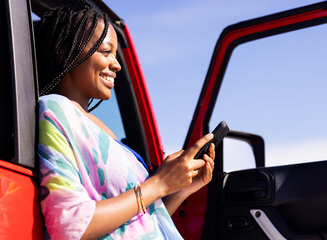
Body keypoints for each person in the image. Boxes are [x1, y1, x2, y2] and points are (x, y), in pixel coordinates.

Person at [35, 2, 215, 240]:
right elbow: (71, 224)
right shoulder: (54, 110)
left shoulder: (99, 128)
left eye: (116, 54)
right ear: (63, 50)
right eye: (105, 52)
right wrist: (159, 182)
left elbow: (139, 225)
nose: (117, 64)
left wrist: (178, 189)